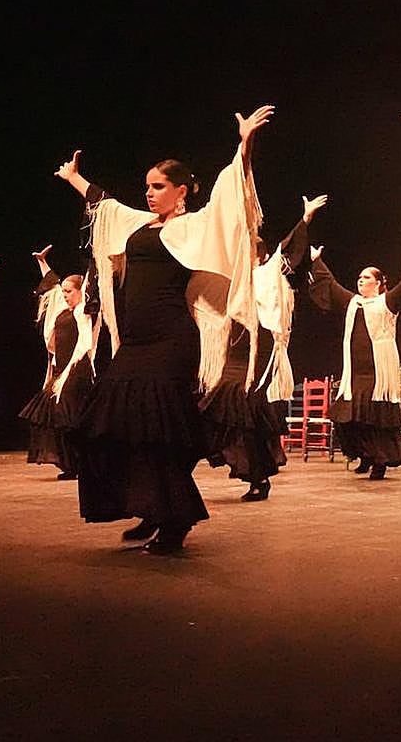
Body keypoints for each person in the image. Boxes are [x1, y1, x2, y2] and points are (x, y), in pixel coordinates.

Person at [54, 104, 271, 553]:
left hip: (171, 342)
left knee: (155, 430)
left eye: (158, 187)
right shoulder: (139, 224)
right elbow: (106, 208)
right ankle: (152, 508)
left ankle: (175, 518)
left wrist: (244, 147)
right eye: (147, 187)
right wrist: (75, 179)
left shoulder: (193, 226)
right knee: (113, 426)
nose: (149, 194)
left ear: (182, 191)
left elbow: (232, 201)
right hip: (134, 343)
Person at [199, 193, 326, 501]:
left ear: (256, 256)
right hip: (238, 346)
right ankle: (243, 465)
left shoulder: (268, 273)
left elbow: (288, 250)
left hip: (262, 345)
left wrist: (306, 218)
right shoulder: (231, 282)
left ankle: (258, 476)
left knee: (248, 407)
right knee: (223, 404)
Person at [308, 247, 401, 481]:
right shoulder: (353, 303)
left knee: (373, 417)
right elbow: (330, 285)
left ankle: (380, 461)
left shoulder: (387, 302)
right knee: (348, 416)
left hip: (377, 373)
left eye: (367, 277)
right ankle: (365, 455)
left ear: (379, 282)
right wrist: (316, 260)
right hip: (354, 374)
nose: (360, 280)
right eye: (360, 277)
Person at [20, 245, 97, 481]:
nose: (64, 295)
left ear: (80, 291)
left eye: (68, 291)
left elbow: (90, 285)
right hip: (60, 370)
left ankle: (81, 462)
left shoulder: (84, 310)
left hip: (77, 368)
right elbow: (52, 285)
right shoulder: (63, 309)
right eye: (63, 292)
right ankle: (70, 464)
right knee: (50, 415)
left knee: (67, 416)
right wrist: (42, 263)